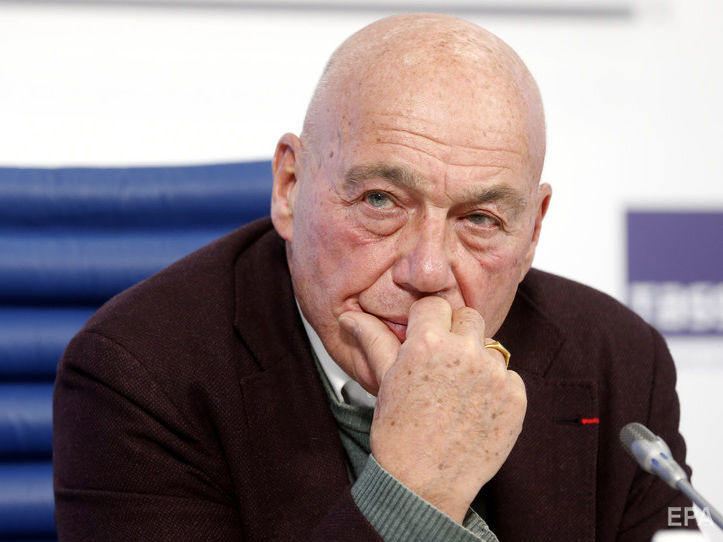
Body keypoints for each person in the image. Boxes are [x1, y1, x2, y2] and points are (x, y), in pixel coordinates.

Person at [53, 13, 694, 541]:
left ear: (532, 231)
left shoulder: (620, 363)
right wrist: (416, 489)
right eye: (381, 201)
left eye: (480, 218)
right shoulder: (138, 375)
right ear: (290, 186)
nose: (428, 271)